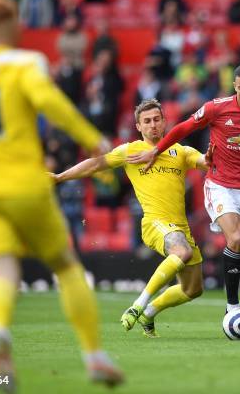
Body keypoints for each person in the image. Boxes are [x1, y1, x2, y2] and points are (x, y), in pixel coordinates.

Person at [0, 0, 123, 388]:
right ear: (18, 27)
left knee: (1, 275)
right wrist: (92, 138)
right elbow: (49, 102)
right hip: (25, 182)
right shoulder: (26, 63)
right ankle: (93, 356)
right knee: (67, 266)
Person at [127, 64, 240, 320]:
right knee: (237, 238)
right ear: (234, 87)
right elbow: (181, 129)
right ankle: (232, 308)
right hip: (222, 186)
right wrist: (156, 149)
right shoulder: (216, 108)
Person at [52, 99, 210, 337]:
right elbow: (96, 164)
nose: (153, 125)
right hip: (153, 223)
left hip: (180, 227)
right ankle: (138, 305)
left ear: (165, 122)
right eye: (147, 121)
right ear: (138, 126)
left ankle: (150, 312)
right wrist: (59, 177)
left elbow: (205, 162)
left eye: (157, 119)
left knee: (192, 289)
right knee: (182, 252)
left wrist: (213, 156)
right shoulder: (130, 150)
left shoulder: (181, 151)